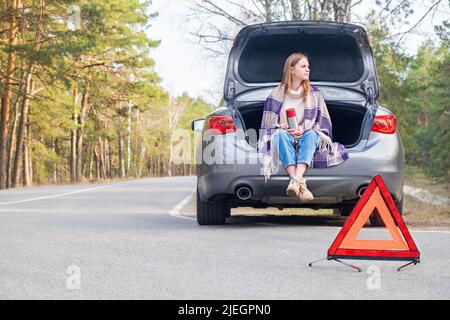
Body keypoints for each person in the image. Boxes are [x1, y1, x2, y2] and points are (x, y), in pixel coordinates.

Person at [258, 52, 349, 202]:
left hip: (306, 137)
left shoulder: (314, 94)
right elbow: (268, 126)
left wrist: (303, 129)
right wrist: (283, 126)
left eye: (308, 66)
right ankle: (300, 184)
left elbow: (323, 125)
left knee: (313, 134)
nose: (308, 69)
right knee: (279, 134)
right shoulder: (275, 94)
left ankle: (295, 180)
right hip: (286, 136)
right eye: (303, 66)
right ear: (292, 70)